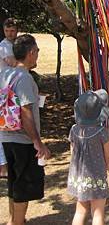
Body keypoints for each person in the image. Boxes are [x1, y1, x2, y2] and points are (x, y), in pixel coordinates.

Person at [0, 34, 51, 225]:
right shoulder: (24, 78)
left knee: (13, 184)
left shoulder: (5, 74)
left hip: (6, 136)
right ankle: (17, 222)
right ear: (30, 53)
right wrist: (38, 144)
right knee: (23, 185)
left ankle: (15, 219)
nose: (38, 54)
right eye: (37, 51)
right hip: (23, 140)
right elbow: (26, 112)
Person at [68, 89, 109, 225]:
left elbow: (72, 152)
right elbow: (108, 154)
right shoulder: (102, 132)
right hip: (96, 176)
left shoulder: (74, 130)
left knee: (80, 211)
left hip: (79, 177)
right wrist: (107, 165)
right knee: (97, 213)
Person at [0, 18, 19, 178]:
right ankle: (4, 165)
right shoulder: (5, 46)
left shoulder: (15, 44)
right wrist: (27, 62)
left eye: (12, 31)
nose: (10, 34)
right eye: (7, 31)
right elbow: (12, 62)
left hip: (11, 88)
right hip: (4, 89)